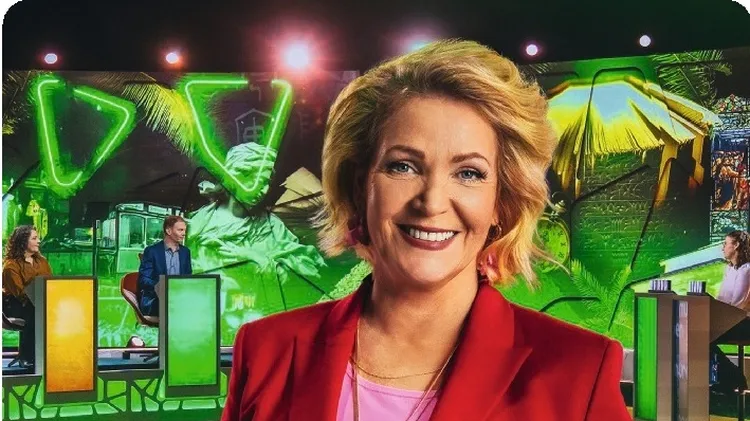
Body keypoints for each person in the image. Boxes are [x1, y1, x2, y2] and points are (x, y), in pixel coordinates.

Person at [222, 40, 630, 421]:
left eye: (469, 173)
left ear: (500, 203)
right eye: (403, 166)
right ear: (361, 186)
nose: (432, 202)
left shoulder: (580, 374)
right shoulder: (265, 351)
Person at [2, 225, 52, 368]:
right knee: (35, 310)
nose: (39, 241)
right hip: (15, 305)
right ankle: (28, 356)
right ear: (23, 241)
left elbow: (51, 283)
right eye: (34, 238)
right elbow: (21, 295)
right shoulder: (11, 266)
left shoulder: (42, 261)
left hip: (40, 302)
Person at [711, 230, 750, 394]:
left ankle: (732, 377)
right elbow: (722, 298)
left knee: (701, 336)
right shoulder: (729, 269)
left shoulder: (747, 271)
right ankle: (731, 376)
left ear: (736, 245)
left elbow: (737, 305)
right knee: (697, 335)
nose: (723, 248)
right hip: (729, 320)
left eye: (726, 243)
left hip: (743, 324)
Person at [137, 215, 192, 317]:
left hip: (178, 298)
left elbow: (188, 278)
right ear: (168, 231)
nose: (184, 233)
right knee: (174, 305)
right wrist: (163, 287)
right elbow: (143, 280)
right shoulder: (152, 251)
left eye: (184, 230)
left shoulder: (186, 252)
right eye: (180, 230)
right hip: (155, 299)